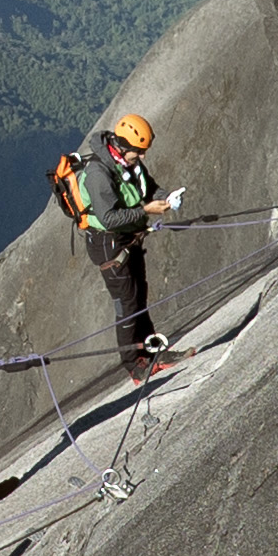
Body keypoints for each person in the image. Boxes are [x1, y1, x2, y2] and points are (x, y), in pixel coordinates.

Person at [68, 110, 187, 386]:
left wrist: (165, 197)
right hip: (108, 243)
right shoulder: (99, 173)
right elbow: (108, 217)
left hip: (127, 237)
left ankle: (153, 351)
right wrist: (146, 210)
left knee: (139, 295)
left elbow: (149, 187)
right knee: (126, 303)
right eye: (139, 151)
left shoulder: (126, 163)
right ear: (122, 146)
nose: (143, 156)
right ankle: (135, 366)